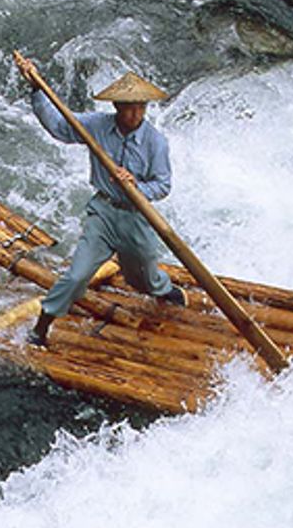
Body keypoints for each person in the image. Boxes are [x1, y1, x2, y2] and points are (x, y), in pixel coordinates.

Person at [12, 54, 183, 347]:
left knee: (142, 281)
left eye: (141, 108)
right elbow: (58, 126)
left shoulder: (156, 142)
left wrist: (137, 187)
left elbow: (163, 185)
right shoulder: (97, 125)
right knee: (76, 275)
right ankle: (41, 328)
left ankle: (166, 290)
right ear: (117, 107)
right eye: (130, 108)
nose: (135, 114)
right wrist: (36, 89)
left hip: (135, 216)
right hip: (103, 213)